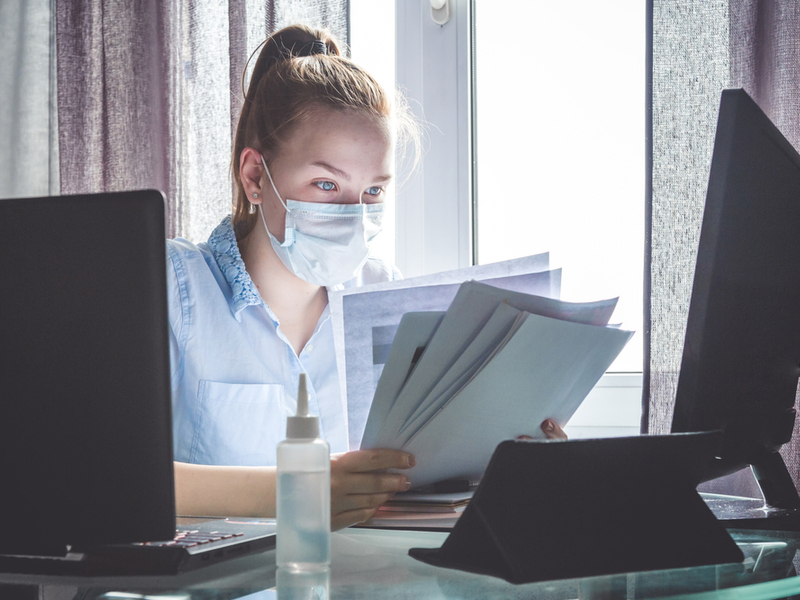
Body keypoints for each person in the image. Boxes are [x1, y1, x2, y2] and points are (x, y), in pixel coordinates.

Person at [166, 24, 566, 532]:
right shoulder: (176, 289)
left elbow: (416, 475)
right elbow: (112, 475)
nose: (353, 215)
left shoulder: (385, 297)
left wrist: (506, 458)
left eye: (373, 191)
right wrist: (298, 491)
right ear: (254, 177)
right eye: (326, 183)